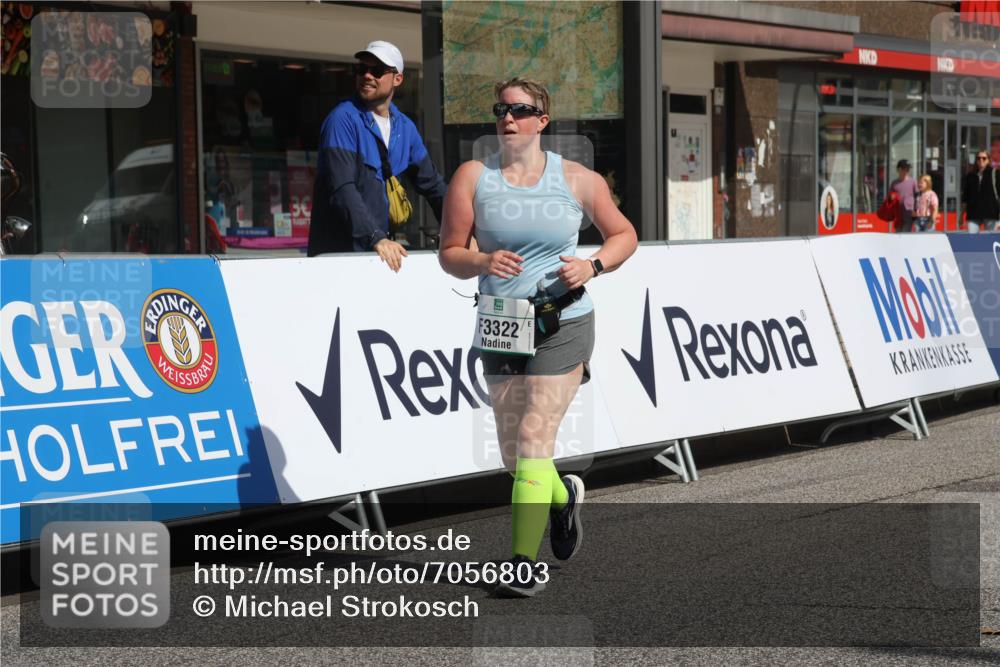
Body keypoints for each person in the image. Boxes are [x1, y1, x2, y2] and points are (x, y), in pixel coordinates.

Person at [438, 78, 638, 597]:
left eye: (521, 110)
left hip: (563, 320)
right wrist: (481, 259)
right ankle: (560, 496)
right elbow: (448, 254)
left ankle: (523, 566)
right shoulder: (472, 177)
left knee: (533, 437)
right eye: (501, 109)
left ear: (542, 120)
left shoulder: (577, 180)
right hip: (501, 319)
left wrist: (592, 266)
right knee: (515, 455)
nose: (509, 118)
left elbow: (625, 236)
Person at [308, 41, 447, 269]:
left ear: (398, 79)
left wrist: (459, 234)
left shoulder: (405, 127)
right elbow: (342, 187)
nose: (367, 76)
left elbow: (434, 186)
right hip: (339, 258)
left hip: (379, 256)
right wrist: (376, 237)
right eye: (362, 69)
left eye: (378, 71)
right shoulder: (342, 120)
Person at [963, 150, 1000, 233]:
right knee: (972, 238)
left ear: (988, 160)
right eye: (978, 158)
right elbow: (965, 197)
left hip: (991, 212)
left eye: (984, 158)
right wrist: (961, 215)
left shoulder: (995, 173)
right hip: (973, 213)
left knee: (990, 240)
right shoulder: (970, 176)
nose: (981, 160)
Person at [889, 159, 919, 233]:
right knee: (898, 234)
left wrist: (915, 210)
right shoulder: (894, 183)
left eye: (908, 169)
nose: (907, 171)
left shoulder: (913, 182)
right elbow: (890, 198)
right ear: (899, 169)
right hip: (898, 214)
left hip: (909, 213)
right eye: (905, 168)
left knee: (906, 233)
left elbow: (917, 197)